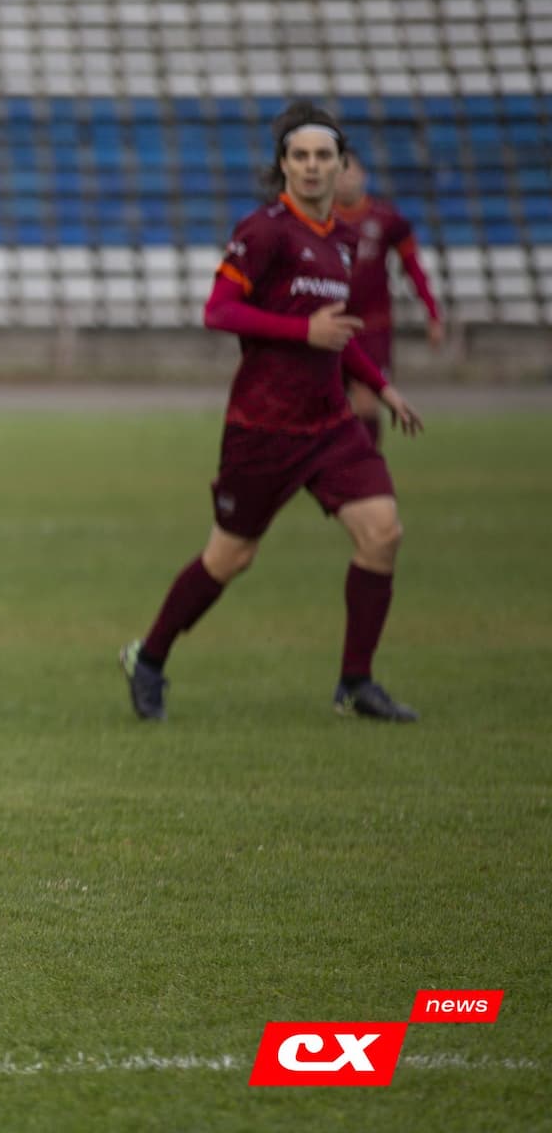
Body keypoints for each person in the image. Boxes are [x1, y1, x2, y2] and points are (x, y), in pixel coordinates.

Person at [119, 103, 425, 724]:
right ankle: (148, 659)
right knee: (230, 557)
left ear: (341, 167)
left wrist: (381, 386)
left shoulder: (342, 240)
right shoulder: (262, 232)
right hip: (263, 429)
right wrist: (299, 331)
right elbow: (219, 312)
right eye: (300, 156)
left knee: (382, 533)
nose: (313, 167)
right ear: (282, 165)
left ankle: (355, 683)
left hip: (332, 424)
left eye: (324, 157)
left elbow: (335, 335)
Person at [334, 158, 444, 448]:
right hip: (328, 325)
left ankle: (366, 466)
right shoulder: (321, 219)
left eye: (351, 171)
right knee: (329, 406)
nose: (346, 178)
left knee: (367, 401)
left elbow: (413, 268)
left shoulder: (386, 219)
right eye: (340, 173)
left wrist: (432, 314)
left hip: (371, 326)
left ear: (364, 176)